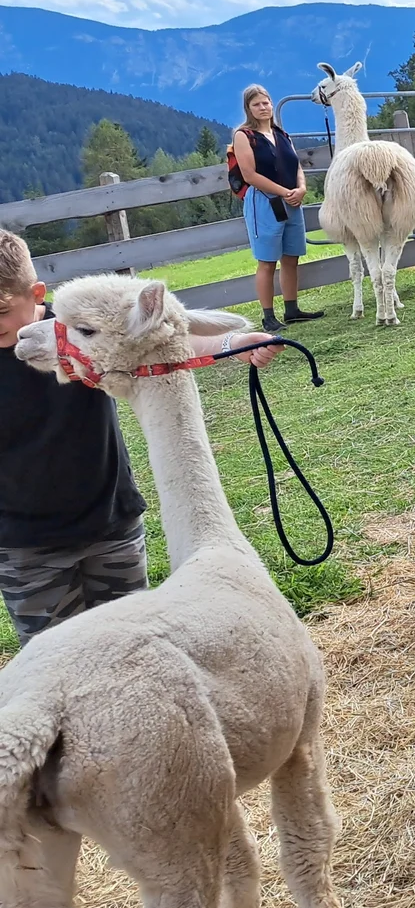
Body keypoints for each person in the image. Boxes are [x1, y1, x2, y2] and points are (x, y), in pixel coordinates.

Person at [0, 229, 279, 647]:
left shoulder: (84, 323)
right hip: (26, 545)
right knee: (60, 657)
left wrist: (230, 343)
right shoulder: (71, 330)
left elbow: (158, 339)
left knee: (136, 646)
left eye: (0, 309)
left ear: (36, 293)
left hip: (111, 522)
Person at [232, 83, 323, 332]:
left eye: (266, 102)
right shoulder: (244, 136)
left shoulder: (282, 134)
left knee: (291, 256)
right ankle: (268, 315)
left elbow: (296, 166)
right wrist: (284, 192)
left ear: (272, 104)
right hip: (265, 202)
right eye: (257, 104)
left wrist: (301, 188)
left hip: (291, 201)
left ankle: (292, 308)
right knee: (267, 260)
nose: (263, 107)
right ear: (248, 109)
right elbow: (249, 175)